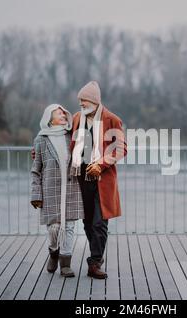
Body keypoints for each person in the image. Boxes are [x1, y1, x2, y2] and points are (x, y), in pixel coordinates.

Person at [69, 80, 127, 279]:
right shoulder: (77, 118)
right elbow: (60, 137)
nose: (81, 105)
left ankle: (94, 262)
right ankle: (96, 257)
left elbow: (121, 149)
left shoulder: (112, 120)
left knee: (99, 223)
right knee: (86, 222)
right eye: (80, 102)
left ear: (94, 101)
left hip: (103, 179)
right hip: (81, 177)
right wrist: (38, 150)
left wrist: (101, 164)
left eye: (84, 101)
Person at [30, 104, 84, 277]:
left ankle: (65, 263)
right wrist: (36, 194)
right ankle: (53, 251)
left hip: (71, 188)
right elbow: (36, 169)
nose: (62, 114)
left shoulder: (71, 136)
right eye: (58, 113)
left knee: (69, 227)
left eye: (63, 113)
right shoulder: (40, 140)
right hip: (51, 190)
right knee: (53, 228)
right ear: (49, 118)